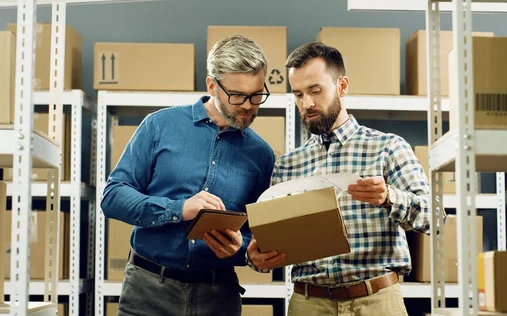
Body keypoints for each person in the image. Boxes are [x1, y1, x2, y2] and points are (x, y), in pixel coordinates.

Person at [248, 42, 433, 316]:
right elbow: (272, 245)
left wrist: (389, 197)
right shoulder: (288, 166)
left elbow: (434, 218)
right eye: (298, 94)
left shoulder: (387, 148)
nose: (306, 103)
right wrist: (256, 257)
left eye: (315, 91)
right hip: (308, 303)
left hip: (377, 301)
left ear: (342, 86)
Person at [101, 34, 279, 316]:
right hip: (148, 292)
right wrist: (179, 209)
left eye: (257, 95)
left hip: (218, 297)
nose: (248, 105)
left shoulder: (262, 155)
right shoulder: (159, 126)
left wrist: (242, 249)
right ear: (212, 85)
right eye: (237, 95)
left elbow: (257, 236)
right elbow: (112, 196)